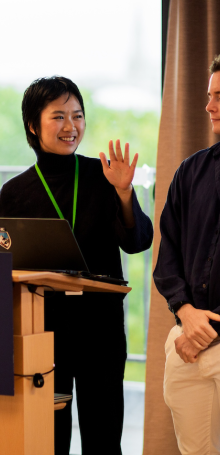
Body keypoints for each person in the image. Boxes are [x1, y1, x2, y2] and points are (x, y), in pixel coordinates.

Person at [0, 76, 153, 455]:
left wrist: (123, 193)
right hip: (42, 333)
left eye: (78, 116)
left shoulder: (103, 178)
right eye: (59, 117)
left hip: (99, 331)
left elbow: (138, 242)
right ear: (33, 126)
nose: (71, 127)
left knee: (103, 439)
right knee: (47, 440)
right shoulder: (14, 192)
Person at [153, 55, 220, 455]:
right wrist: (185, 312)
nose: (210, 106)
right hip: (186, 345)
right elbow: (168, 255)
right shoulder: (190, 171)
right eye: (210, 96)